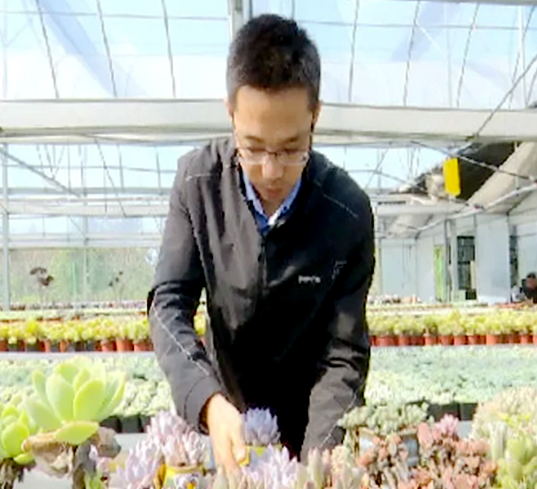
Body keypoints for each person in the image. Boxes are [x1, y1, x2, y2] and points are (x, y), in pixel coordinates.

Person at [146, 14, 374, 472]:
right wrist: (208, 401)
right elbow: (168, 305)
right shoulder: (197, 184)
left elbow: (344, 352)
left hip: (311, 428)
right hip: (221, 423)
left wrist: (316, 464)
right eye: (252, 147)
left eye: (291, 148)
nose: (271, 170)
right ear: (230, 113)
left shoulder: (346, 212)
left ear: (315, 116)